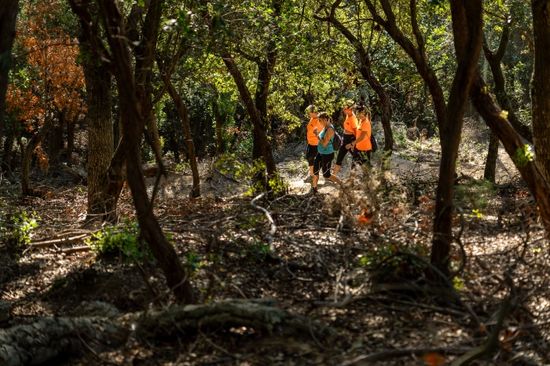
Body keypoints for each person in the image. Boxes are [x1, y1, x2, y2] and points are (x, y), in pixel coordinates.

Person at [311, 112, 342, 193]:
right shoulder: (325, 127)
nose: (319, 122)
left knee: (326, 175)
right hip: (320, 153)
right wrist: (317, 135)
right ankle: (314, 190)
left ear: (326, 119)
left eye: (320, 120)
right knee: (315, 171)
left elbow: (324, 144)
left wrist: (317, 134)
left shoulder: (330, 129)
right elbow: (322, 140)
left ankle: (342, 185)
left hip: (327, 155)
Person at [333, 99, 358, 176]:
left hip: (350, 139)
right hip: (345, 138)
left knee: (356, 158)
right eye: (343, 108)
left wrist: (352, 144)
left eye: (345, 108)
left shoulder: (353, 118)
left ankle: (354, 177)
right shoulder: (348, 115)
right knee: (340, 157)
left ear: (350, 109)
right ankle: (333, 176)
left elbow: (356, 132)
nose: (343, 110)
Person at [304, 104, 321, 182]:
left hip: (316, 144)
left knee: (312, 159)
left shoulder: (319, 120)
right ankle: (312, 174)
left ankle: (313, 176)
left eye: (309, 112)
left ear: (314, 112)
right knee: (309, 158)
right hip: (310, 143)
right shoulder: (312, 118)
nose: (308, 113)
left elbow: (321, 132)